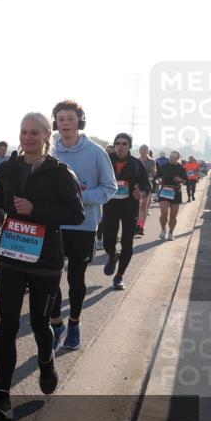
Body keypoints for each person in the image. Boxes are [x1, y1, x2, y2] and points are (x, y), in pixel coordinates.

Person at [0, 112, 85, 420]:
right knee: (8, 326)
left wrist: (36, 210)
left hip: (45, 261)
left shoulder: (60, 172)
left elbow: (76, 214)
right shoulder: (10, 167)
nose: (27, 137)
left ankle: (45, 361)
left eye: (34, 133)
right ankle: (2, 397)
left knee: (40, 324)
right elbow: (0, 199)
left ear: (46, 136)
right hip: (13, 255)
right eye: (23, 132)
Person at [48, 100, 116, 352]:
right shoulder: (50, 150)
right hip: (54, 224)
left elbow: (110, 188)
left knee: (76, 279)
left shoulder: (96, 152)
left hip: (84, 225)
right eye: (60, 118)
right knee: (49, 279)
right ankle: (57, 325)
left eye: (70, 118)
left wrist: (79, 198)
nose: (65, 122)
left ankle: (74, 324)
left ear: (79, 120)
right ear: (55, 121)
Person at [102, 134, 150, 290]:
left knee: (127, 242)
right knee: (108, 241)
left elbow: (147, 185)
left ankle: (119, 276)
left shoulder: (136, 164)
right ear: (114, 145)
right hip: (110, 206)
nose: (120, 146)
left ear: (129, 146)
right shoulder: (105, 160)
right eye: (117, 143)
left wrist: (141, 191)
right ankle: (113, 255)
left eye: (124, 143)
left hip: (129, 207)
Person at [156, 151, 188, 240]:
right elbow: (157, 177)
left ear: (178, 158)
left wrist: (180, 179)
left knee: (173, 216)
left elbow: (186, 182)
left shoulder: (181, 168)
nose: (172, 159)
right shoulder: (164, 167)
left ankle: (171, 233)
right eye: (171, 157)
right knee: (164, 213)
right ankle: (163, 230)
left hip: (176, 192)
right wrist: (158, 180)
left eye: (174, 157)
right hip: (165, 191)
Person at [136, 145, 157, 237]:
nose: (144, 151)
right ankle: (135, 226)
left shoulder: (152, 161)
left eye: (145, 150)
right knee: (136, 207)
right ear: (139, 151)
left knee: (143, 207)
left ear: (148, 151)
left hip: (147, 185)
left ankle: (140, 227)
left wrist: (150, 175)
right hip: (137, 185)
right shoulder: (136, 160)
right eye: (142, 149)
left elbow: (154, 173)